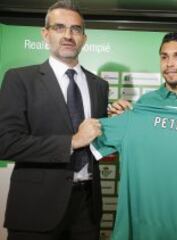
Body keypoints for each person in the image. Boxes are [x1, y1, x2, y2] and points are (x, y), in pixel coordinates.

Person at [0, 1, 108, 240]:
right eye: (59, 27)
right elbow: (6, 143)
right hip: (35, 209)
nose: (68, 35)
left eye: (76, 29)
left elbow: (96, 140)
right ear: (45, 34)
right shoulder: (20, 79)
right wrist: (72, 141)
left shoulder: (100, 86)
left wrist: (117, 123)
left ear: (84, 38)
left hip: (87, 209)